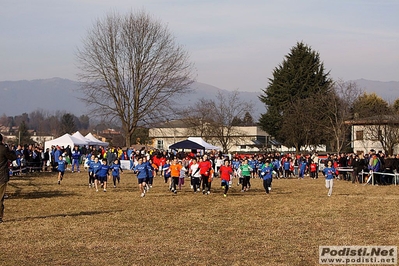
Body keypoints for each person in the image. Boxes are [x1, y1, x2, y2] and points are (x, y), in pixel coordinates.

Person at [0, 134, 17, 223]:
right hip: (2, 176)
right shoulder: (3, 149)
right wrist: (11, 150)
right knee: (0, 198)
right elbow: (13, 157)